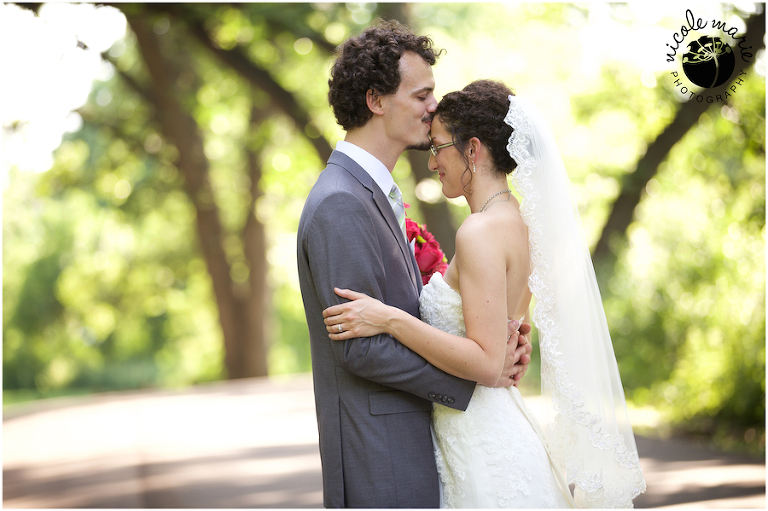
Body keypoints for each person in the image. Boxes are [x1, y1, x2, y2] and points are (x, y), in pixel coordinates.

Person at [322, 80, 647, 508]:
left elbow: (487, 361)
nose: (433, 161)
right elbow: (505, 342)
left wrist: (390, 319)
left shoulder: (478, 232)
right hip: (497, 424)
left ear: (472, 150)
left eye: (439, 147)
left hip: (481, 437)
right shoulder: (525, 224)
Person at [296, 23, 532, 508]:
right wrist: (479, 372)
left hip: (418, 446)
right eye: (422, 94)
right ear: (376, 100)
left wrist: (493, 334)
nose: (433, 107)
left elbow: (405, 313)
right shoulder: (340, 201)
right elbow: (360, 348)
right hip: (380, 457)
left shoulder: (373, 193)